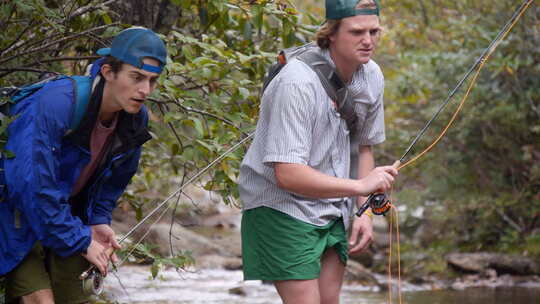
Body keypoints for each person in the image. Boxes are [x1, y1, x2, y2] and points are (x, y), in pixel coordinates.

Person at [238, 1, 398, 303]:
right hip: (280, 207)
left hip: (333, 206)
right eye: (357, 32)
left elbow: (365, 148)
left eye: (374, 31)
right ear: (331, 34)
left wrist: (364, 212)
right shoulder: (295, 83)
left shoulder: (373, 76)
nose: (368, 40)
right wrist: (360, 187)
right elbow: (287, 174)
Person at [0, 27, 167, 303]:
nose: (145, 90)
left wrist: (98, 219)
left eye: (152, 81)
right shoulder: (56, 104)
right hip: (14, 212)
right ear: (108, 72)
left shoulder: (135, 119)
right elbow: (32, 186)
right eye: (136, 77)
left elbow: (113, 181)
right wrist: (78, 240)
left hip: (66, 215)